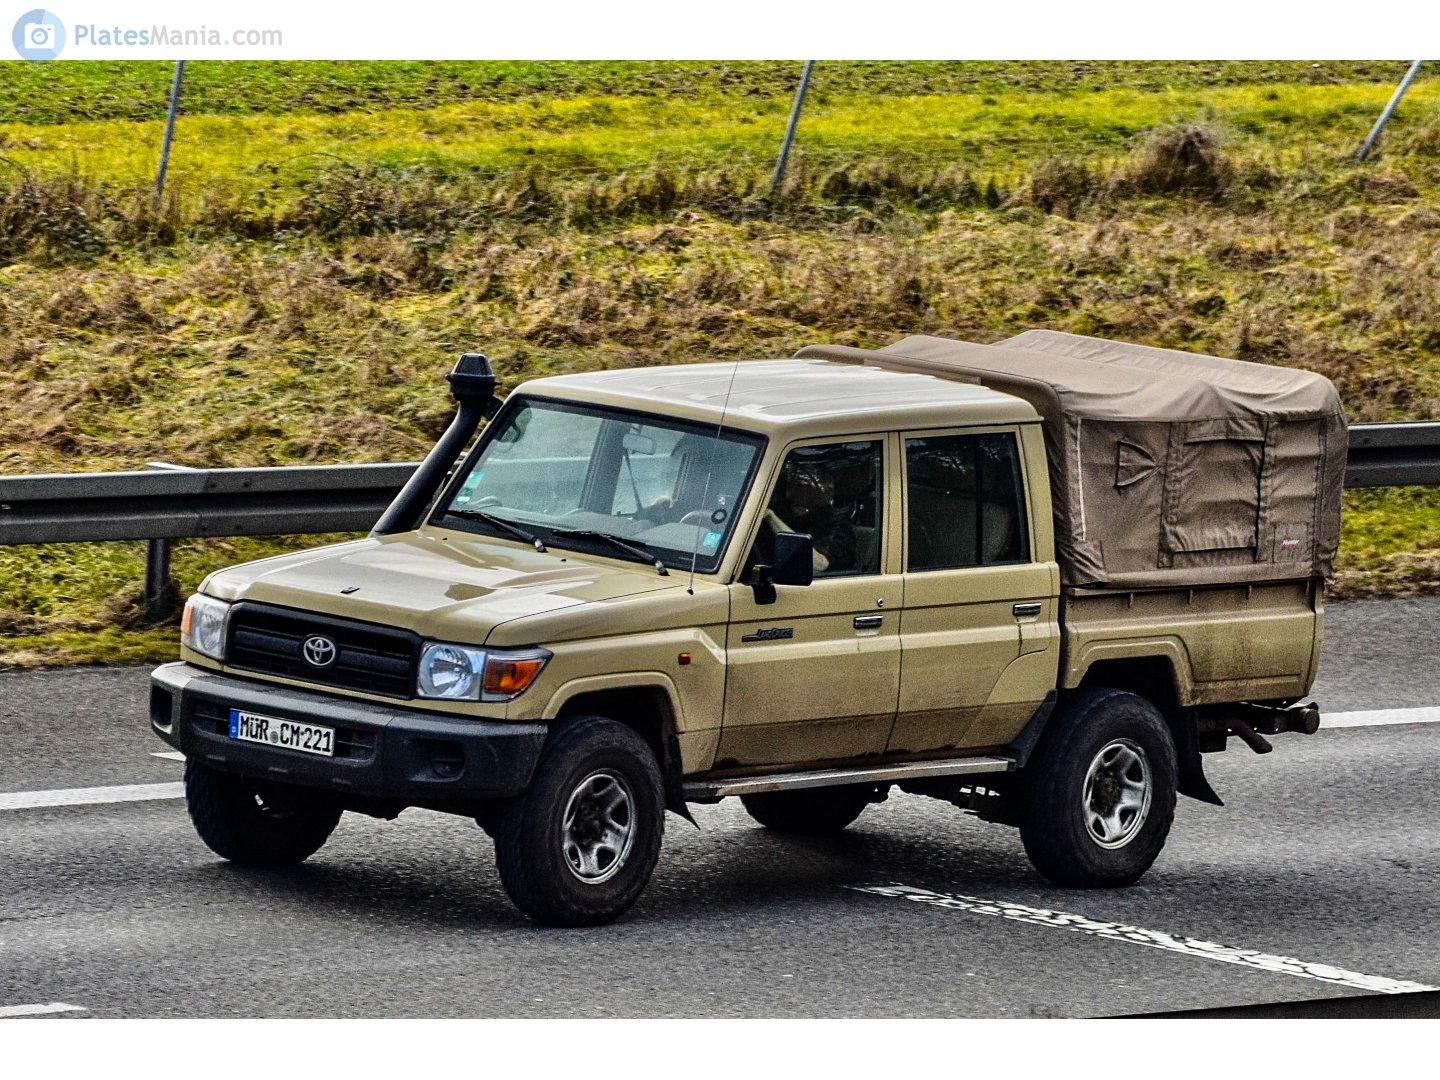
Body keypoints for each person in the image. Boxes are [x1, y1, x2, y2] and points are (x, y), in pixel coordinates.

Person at [761, 459, 856, 575]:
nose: (802, 491)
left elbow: (818, 564)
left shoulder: (837, 526)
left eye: (808, 485)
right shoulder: (781, 510)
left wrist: (770, 517)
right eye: (796, 483)